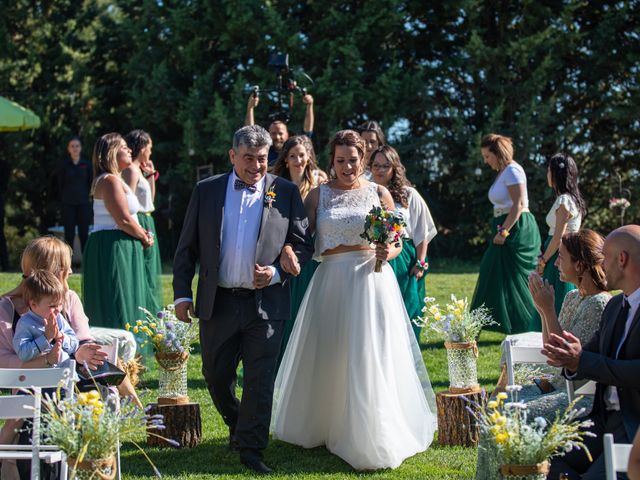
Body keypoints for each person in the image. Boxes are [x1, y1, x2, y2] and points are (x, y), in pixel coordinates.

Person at [271, 130, 437, 471]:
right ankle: (326, 421)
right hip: (331, 279)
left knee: (368, 351)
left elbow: (398, 242)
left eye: (354, 160)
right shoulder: (319, 195)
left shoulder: (378, 193)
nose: (348, 167)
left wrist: (386, 253)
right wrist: (288, 249)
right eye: (341, 160)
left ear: (364, 159)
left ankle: (369, 428)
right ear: (332, 161)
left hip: (371, 281)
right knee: (331, 351)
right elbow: (298, 236)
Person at [172, 125, 313, 474]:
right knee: (215, 375)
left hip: (265, 304)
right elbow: (186, 247)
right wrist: (180, 294)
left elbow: (303, 242)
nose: (255, 166)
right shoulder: (206, 191)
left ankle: (251, 449)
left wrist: (279, 272)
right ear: (233, 156)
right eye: (248, 158)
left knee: (260, 379)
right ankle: (238, 421)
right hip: (217, 301)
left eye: (262, 159)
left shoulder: (286, 191)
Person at [0, 236, 141, 479]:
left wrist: (74, 353)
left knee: (98, 396)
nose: (70, 272)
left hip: (70, 383)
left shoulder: (68, 300)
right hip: (28, 391)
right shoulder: (6, 308)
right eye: (64, 267)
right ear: (49, 272)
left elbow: (83, 342)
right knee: (32, 407)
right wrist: (44, 362)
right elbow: (4, 362)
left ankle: (91, 466)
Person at [476, 230, 611, 480]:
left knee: (511, 416)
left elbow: (563, 360)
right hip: (557, 386)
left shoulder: (599, 304)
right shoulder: (573, 296)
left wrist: (548, 310)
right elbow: (551, 352)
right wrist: (542, 310)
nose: (556, 263)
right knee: (497, 411)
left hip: (577, 396)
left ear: (580, 265)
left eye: (561, 257)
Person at [543, 225, 640, 479]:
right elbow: (587, 356)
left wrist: (580, 359)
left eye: (604, 257)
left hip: (633, 428)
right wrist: (570, 359)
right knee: (543, 459)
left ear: (622, 259)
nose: (600, 264)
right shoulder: (616, 306)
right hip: (602, 420)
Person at [470, 133, 541, 334]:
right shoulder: (504, 172)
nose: (486, 161)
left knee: (507, 274)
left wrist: (504, 231)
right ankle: (484, 325)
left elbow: (518, 204)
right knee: (496, 273)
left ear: (497, 153)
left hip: (515, 228)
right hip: (505, 225)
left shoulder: (513, 171)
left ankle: (532, 324)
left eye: (487, 156)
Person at [83, 133, 154, 331]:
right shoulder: (108, 181)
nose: (130, 150)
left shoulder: (118, 180)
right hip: (111, 246)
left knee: (129, 298)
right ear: (112, 153)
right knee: (115, 300)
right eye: (124, 147)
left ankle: (130, 355)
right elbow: (122, 219)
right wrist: (144, 236)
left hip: (123, 244)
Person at [369, 145, 437, 341]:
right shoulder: (366, 192)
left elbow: (422, 231)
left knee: (406, 306)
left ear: (394, 168)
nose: (380, 170)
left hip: (403, 256)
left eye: (385, 166)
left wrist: (420, 262)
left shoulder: (408, 195)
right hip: (372, 253)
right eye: (376, 165)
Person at [272, 135, 327, 353]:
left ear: (308, 156)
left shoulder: (319, 182)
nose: (297, 160)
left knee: (309, 304)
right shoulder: (276, 184)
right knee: (286, 305)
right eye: (292, 156)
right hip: (282, 248)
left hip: (309, 252)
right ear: (285, 159)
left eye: (301, 155)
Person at [531, 153, 586, 328]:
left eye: (549, 170)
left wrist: (543, 260)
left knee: (554, 296)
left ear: (555, 174)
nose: (547, 174)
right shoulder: (572, 199)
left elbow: (558, 236)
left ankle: (550, 332)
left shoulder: (564, 200)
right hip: (563, 252)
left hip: (557, 253)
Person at [123, 129, 162, 315]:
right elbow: (128, 201)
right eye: (150, 148)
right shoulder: (130, 170)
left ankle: (152, 315)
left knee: (150, 271)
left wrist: (150, 176)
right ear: (142, 147)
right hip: (139, 220)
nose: (151, 152)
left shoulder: (139, 170)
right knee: (144, 270)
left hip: (148, 219)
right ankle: (144, 313)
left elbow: (150, 201)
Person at [13, 270, 78, 367]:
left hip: (65, 372)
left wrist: (59, 335)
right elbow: (23, 354)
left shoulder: (59, 318)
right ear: (33, 304)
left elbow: (74, 344)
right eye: (52, 306)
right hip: (41, 377)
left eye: (60, 304)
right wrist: (46, 337)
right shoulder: (25, 323)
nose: (58, 309)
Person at [245, 92, 315, 167]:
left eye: (280, 133)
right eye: (273, 133)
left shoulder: (293, 149)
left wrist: (309, 105)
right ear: (268, 135)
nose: (277, 137)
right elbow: (250, 133)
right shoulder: (264, 150)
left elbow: (307, 131)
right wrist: (250, 108)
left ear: (287, 134)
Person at [57, 136, 93, 254]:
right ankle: (67, 263)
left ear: (81, 148)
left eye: (77, 146)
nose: (75, 148)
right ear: (68, 149)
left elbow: (91, 183)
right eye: (72, 146)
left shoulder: (87, 165)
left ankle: (86, 263)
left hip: (83, 203)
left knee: (84, 233)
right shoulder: (64, 165)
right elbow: (59, 184)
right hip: (68, 204)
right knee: (69, 234)